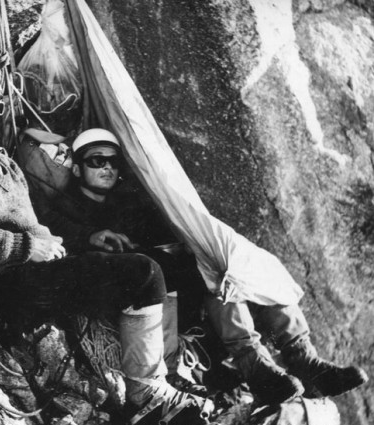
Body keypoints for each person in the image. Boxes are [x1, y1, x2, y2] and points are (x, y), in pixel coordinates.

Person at [0, 65, 213, 425]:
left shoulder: (5, 163)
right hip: (8, 282)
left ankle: (168, 374)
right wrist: (26, 247)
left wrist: (85, 237)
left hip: (40, 267)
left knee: (164, 264)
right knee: (142, 273)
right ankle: (147, 395)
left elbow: (42, 218)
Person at [40, 127, 368, 406]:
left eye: (113, 161)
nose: (107, 168)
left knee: (233, 263)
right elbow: (52, 231)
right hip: (141, 301)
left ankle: (302, 357)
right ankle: (244, 367)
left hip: (182, 292)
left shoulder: (133, 202)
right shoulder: (65, 207)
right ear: (78, 169)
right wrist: (90, 236)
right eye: (97, 161)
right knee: (201, 273)